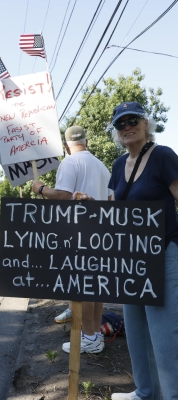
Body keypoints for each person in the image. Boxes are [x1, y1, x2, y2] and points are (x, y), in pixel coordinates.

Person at [107, 101, 178, 400]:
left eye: (133, 120)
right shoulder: (117, 165)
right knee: (135, 331)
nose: (127, 127)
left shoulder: (163, 156)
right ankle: (145, 392)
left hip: (162, 255)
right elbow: (113, 211)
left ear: (145, 123)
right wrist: (88, 205)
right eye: (120, 124)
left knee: (164, 334)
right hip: (130, 260)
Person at [32, 125, 113, 354]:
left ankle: (88, 336)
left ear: (66, 146)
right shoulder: (102, 166)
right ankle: (95, 335)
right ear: (86, 142)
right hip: (101, 234)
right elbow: (110, 200)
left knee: (82, 288)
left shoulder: (70, 162)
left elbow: (63, 196)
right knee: (96, 287)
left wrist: (41, 189)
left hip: (78, 235)